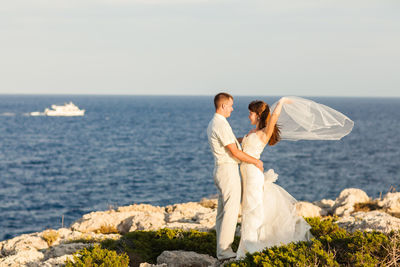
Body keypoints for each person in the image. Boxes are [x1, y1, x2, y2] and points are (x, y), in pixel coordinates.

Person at [236, 97, 313, 259]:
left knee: (252, 210)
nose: (248, 116)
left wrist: (282, 102)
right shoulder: (252, 133)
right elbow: (238, 144)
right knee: (248, 209)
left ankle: (251, 249)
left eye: (250, 113)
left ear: (258, 115)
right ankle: (247, 247)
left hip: (253, 175)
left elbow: (274, 118)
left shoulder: (264, 133)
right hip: (247, 174)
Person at [207, 92, 264, 260]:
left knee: (222, 213)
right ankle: (225, 252)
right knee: (230, 212)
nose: (232, 109)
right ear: (223, 106)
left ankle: (221, 249)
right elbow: (234, 151)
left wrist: (248, 138)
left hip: (221, 169)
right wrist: (255, 161)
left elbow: (233, 144)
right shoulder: (221, 124)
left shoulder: (216, 123)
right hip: (227, 170)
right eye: (230, 105)